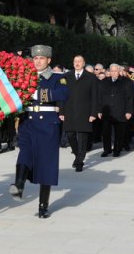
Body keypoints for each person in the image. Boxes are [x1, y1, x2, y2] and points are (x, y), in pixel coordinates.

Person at [9, 45, 68, 218]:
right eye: (35, 58)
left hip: (48, 125)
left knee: (45, 165)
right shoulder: (25, 77)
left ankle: (43, 205)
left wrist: (38, 94)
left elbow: (63, 93)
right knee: (24, 154)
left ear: (49, 60)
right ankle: (18, 186)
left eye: (41, 58)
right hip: (28, 123)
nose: (38, 61)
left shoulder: (58, 77)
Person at [60, 55, 98, 172]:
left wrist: (93, 113)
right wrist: (61, 111)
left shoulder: (91, 77)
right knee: (70, 135)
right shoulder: (66, 76)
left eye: (79, 61)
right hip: (69, 111)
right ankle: (78, 155)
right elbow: (61, 95)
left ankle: (80, 161)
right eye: (75, 61)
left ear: (84, 63)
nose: (77, 63)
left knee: (82, 138)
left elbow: (95, 97)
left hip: (84, 112)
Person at [98, 63, 134, 157]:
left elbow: (130, 98)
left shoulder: (127, 82)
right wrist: (98, 110)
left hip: (120, 111)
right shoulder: (104, 82)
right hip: (107, 112)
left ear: (119, 71)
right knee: (106, 132)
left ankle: (117, 149)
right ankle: (107, 149)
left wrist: (129, 111)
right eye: (112, 71)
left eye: (115, 71)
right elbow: (100, 97)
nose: (113, 73)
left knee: (119, 132)